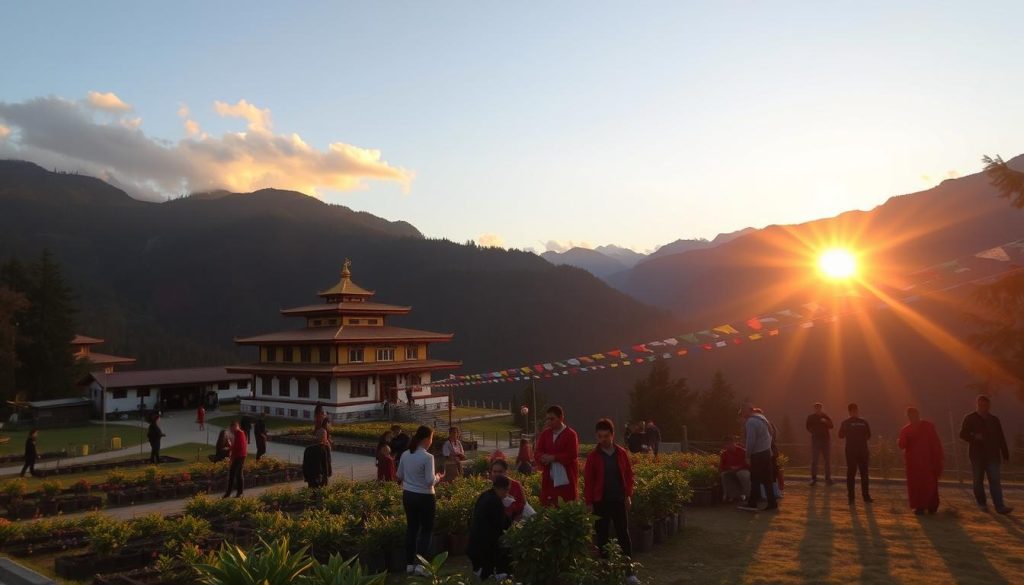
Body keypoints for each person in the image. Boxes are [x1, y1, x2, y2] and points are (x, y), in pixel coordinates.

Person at [584, 418, 638, 583]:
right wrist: (589, 502)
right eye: (600, 436)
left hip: (618, 500)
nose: (603, 440)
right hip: (601, 502)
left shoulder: (621, 453)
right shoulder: (593, 456)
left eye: (606, 436)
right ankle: (605, 571)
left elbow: (628, 476)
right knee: (602, 536)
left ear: (612, 435)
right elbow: (589, 481)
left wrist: (628, 495)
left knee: (623, 535)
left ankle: (629, 572)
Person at [396, 425, 443, 575]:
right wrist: (438, 478)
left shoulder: (405, 454)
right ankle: (420, 565)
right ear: (426, 439)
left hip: (408, 495)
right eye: (431, 438)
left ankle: (409, 564)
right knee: (426, 530)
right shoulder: (428, 457)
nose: (431, 441)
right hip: (425, 496)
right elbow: (429, 481)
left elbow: (399, 476)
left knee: (412, 529)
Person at [959, 395, 1012, 514]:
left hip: (993, 455)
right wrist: (973, 436)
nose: (984, 408)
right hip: (976, 456)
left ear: (989, 406)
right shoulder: (970, 418)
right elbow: (962, 434)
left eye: (986, 406)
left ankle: (999, 506)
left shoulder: (994, 420)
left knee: (995, 480)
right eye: (981, 405)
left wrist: (1005, 454)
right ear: (977, 405)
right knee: (978, 480)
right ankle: (982, 503)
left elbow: (1000, 437)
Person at [898, 407, 944, 515]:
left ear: (917, 415)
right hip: (914, 463)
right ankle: (920, 506)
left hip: (927, 461)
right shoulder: (907, 429)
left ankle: (929, 506)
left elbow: (935, 443)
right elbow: (902, 444)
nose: (912, 418)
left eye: (913, 416)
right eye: (910, 416)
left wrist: (937, 459)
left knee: (929, 483)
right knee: (917, 485)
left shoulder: (927, 427)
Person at [467, 475, 513, 580]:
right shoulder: (495, 502)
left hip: (474, 544)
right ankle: (497, 572)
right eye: (506, 490)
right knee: (506, 545)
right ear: (501, 488)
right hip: (484, 547)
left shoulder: (485, 495)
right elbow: (501, 526)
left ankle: (482, 570)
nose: (506, 494)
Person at [534, 405, 580, 507]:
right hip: (549, 479)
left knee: (566, 507)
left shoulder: (571, 434)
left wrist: (554, 458)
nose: (549, 421)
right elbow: (537, 451)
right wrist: (542, 457)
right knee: (548, 507)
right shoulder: (545, 434)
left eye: (552, 419)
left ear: (561, 418)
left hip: (566, 480)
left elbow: (572, 454)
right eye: (547, 419)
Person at [738, 404, 777, 512]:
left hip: (758, 454)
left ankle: (752, 503)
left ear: (747, 412)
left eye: (742, 414)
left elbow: (750, 440)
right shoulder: (763, 418)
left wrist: (747, 455)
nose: (741, 416)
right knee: (767, 480)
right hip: (766, 453)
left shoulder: (751, 422)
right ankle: (772, 503)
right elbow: (772, 433)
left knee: (755, 479)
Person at [839, 403, 873, 505]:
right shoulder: (846, 422)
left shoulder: (863, 422)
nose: (855, 412)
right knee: (851, 474)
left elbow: (869, 435)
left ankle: (866, 497)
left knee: (864, 474)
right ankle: (851, 497)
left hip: (861, 451)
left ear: (858, 410)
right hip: (852, 452)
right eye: (853, 411)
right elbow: (840, 435)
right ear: (849, 412)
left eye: (856, 410)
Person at [805, 402, 834, 486]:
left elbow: (832, 426)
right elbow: (807, 427)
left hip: (825, 441)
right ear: (814, 409)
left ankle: (828, 479)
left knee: (827, 460)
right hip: (815, 441)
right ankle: (813, 479)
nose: (818, 409)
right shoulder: (810, 417)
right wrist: (813, 432)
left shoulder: (825, 416)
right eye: (816, 407)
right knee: (815, 461)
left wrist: (826, 421)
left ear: (821, 408)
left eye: (819, 407)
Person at [719, 435, 750, 503]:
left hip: (743, 469)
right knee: (724, 475)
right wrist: (730, 467)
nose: (728, 446)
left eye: (729, 443)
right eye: (726, 444)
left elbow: (748, 464)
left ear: (734, 442)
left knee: (743, 474)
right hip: (731, 470)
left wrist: (739, 467)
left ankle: (749, 495)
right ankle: (734, 496)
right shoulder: (724, 454)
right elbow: (721, 467)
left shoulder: (743, 451)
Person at [223, 420, 247, 498]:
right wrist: (230, 448)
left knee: (236, 474)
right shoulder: (237, 434)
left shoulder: (240, 434)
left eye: (233, 428)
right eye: (231, 429)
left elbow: (237, 447)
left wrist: (229, 450)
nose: (232, 430)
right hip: (239, 456)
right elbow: (235, 446)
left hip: (240, 456)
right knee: (236, 474)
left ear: (236, 427)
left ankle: (236, 493)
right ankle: (233, 493)